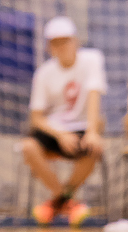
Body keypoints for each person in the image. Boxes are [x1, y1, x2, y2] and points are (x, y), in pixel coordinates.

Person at [21, 16, 108, 225]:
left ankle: (58, 202)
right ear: (49, 47)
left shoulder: (92, 60)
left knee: (95, 147)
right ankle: (68, 202)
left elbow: (94, 94)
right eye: (56, 42)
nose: (62, 47)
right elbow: (36, 119)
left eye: (65, 41)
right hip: (55, 129)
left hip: (82, 127)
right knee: (28, 147)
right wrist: (60, 135)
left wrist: (93, 131)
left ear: (75, 41)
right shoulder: (44, 73)